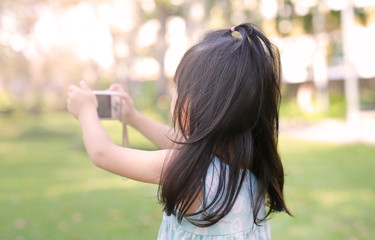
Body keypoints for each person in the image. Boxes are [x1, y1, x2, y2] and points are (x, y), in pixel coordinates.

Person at [67, 23, 291, 239]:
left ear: (203, 104)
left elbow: (103, 153)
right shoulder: (251, 163)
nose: (174, 96)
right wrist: (132, 117)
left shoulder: (191, 172)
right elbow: (182, 143)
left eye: (178, 87)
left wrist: (86, 111)